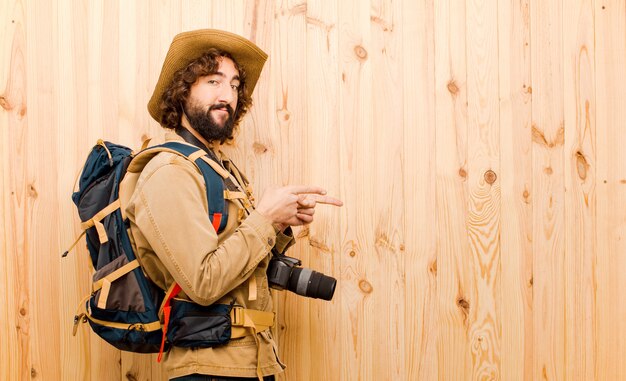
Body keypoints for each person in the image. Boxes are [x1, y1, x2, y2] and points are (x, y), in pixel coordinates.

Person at [125, 29, 342, 381]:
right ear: (182, 92)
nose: (227, 95)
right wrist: (265, 218)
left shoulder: (220, 170)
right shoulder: (168, 171)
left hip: (252, 363)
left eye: (235, 85)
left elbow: (243, 269)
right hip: (209, 370)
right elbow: (204, 283)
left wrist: (282, 223)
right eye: (213, 81)